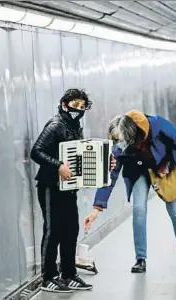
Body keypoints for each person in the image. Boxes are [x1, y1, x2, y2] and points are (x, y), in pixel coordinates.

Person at [86, 110, 176, 273]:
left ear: (130, 132)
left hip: (162, 167)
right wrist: (97, 208)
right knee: (138, 210)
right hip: (138, 172)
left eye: (120, 138)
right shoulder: (120, 147)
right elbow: (111, 175)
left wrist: (169, 164)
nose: (119, 143)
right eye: (116, 140)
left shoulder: (156, 125)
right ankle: (140, 259)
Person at [31, 89, 112, 292]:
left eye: (82, 107)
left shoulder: (75, 126)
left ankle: (68, 274)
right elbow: (36, 151)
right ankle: (48, 277)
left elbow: (80, 156)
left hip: (68, 188)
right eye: (75, 105)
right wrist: (58, 165)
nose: (78, 110)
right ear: (65, 104)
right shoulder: (56, 125)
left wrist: (105, 165)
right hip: (50, 186)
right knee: (53, 231)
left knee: (70, 230)